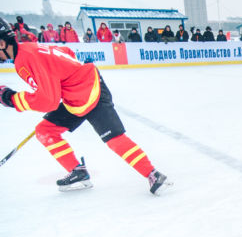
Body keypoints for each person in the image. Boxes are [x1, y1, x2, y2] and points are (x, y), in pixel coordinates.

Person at [0, 18, 170, 195]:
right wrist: (62, 82)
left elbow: (47, 101)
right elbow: (65, 51)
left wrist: (10, 98)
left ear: (2, 43)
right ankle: (78, 172)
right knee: (45, 130)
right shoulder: (29, 48)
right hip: (75, 96)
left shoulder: (24, 60)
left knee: (113, 139)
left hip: (91, 91)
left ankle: (152, 174)